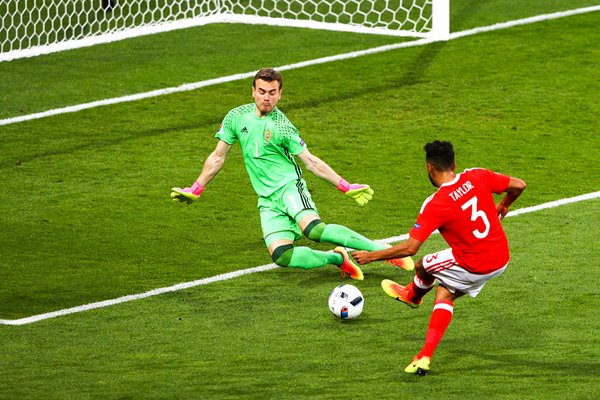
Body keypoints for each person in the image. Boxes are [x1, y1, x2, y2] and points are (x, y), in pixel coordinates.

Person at [171, 68, 412, 280]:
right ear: (253, 91)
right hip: (267, 200)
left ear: (280, 94)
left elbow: (311, 162)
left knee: (314, 230)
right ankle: (338, 259)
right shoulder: (236, 117)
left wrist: (345, 186)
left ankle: (383, 251)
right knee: (281, 256)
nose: (266, 97)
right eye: (262, 91)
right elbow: (217, 157)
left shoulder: (282, 126)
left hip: (289, 187)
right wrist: (196, 188)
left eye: (272, 92)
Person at [353, 140, 526, 376]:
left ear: (429, 168)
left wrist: (372, 256)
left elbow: (411, 247)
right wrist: (504, 204)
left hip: (474, 263)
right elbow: (519, 185)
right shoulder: (478, 176)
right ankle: (423, 357)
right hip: (501, 257)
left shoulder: (436, 204)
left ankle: (412, 295)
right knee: (445, 292)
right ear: (454, 164)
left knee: (423, 265)